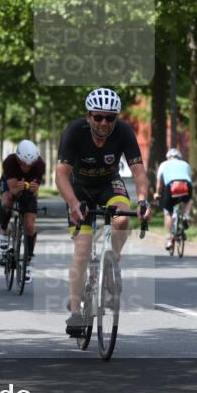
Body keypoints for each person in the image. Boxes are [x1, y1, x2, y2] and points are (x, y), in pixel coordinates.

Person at [55, 87, 151, 336]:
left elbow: (139, 170)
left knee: (121, 218)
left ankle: (112, 261)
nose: (103, 123)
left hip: (110, 185)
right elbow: (61, 175)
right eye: (98, 117)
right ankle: (76, 313)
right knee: (83, 250)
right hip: (80, 190)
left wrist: (143, 201)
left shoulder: (123, 132)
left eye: (110, 118)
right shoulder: (75, 132)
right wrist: (74, 204)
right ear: (88, 116)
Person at [0, 139, 45, 282]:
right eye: (23, 163)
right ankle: (4, 231)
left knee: (30, 225)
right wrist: (18, 188)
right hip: (11, 185)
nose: (26, 167)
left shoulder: (40, 164)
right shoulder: (10, 162)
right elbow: (12, 192)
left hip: (27, 189)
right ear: (18, 158)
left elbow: (35, 194)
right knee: (6, 202)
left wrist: (33, 190)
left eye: (30, 164)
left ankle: (28, 259)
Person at [154, 148, 193, 250]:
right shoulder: (185, 164)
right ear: (179, 157)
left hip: (171, 187)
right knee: (189, 200)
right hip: (186, 185)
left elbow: (159, 183)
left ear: (168, 157)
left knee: (167, 213)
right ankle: (186, 215)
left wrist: (157, 193)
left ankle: (169, 239)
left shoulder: (163, 164)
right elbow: (189, 178)